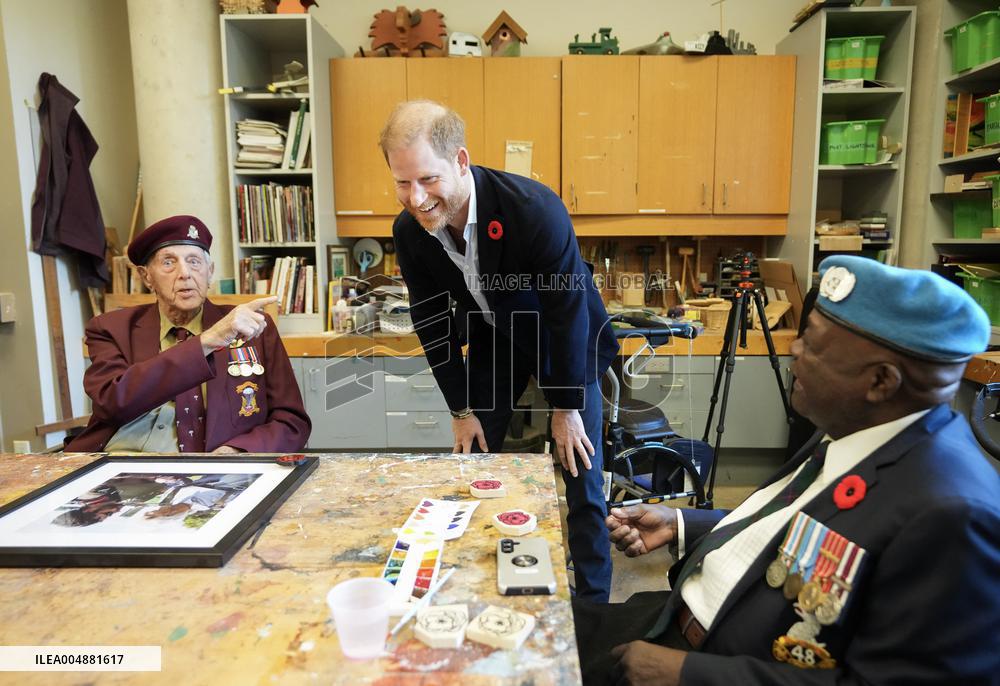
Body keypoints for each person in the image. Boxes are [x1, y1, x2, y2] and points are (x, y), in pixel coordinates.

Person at [574, 255, 1000, 685]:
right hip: (674, 615)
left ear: (880, 382)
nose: (794, 350)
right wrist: (681, 524)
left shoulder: (953, 516)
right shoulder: (858, 425)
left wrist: (688, 674)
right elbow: (804, 529)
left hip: (706, 664)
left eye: (812, 345)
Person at [381, 100, 619, 601]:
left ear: (460, 161)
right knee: (474, 461)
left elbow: (567, 313)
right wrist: (460, 410)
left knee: (580, 469)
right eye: (402, 183)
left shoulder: (533, 209)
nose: (416, 198)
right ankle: (472, 581)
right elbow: (431, 321)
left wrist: (566, 406)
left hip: (563, 337)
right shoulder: (410, 231)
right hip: (496, 338)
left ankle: (594, 603)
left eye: (427, 179)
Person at [65, 215, 310, 454]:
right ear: (146, 276)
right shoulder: (110, 328)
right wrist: (205, 342)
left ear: (210, 271)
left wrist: (238, 450)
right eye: (168, 262)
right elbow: (112, 402)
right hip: (122, 458)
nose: (185, 273)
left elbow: (291, 421)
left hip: (212, 467)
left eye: (194, 261)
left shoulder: (253, 327)